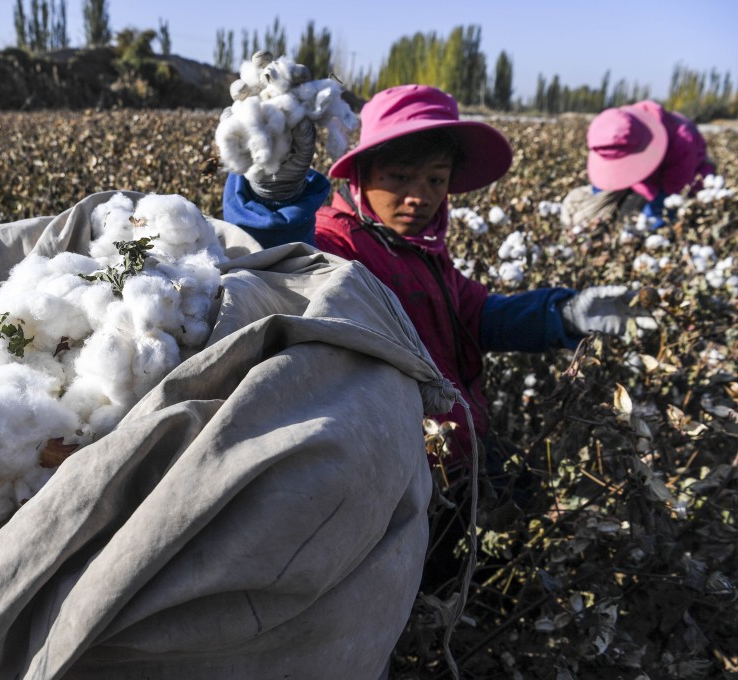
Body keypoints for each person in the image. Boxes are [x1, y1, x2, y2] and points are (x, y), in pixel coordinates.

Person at [222, 81, 656, 474]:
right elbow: (288, 267)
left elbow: (475, 314)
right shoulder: (341, 245)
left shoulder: (420, 249)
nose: (420, 196)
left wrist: (561, 313)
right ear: (360, 176)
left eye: (436, 179)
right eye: (400, 177)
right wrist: (273, 200)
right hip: (410, 479)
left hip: (462, 454)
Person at [561, 100, 717, 230]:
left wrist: (644, 230)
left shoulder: (683, 143)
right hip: (646, 179)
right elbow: (604, 183)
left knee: (641, 221)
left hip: (683, 182)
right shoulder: (624, 123)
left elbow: (669, 198)